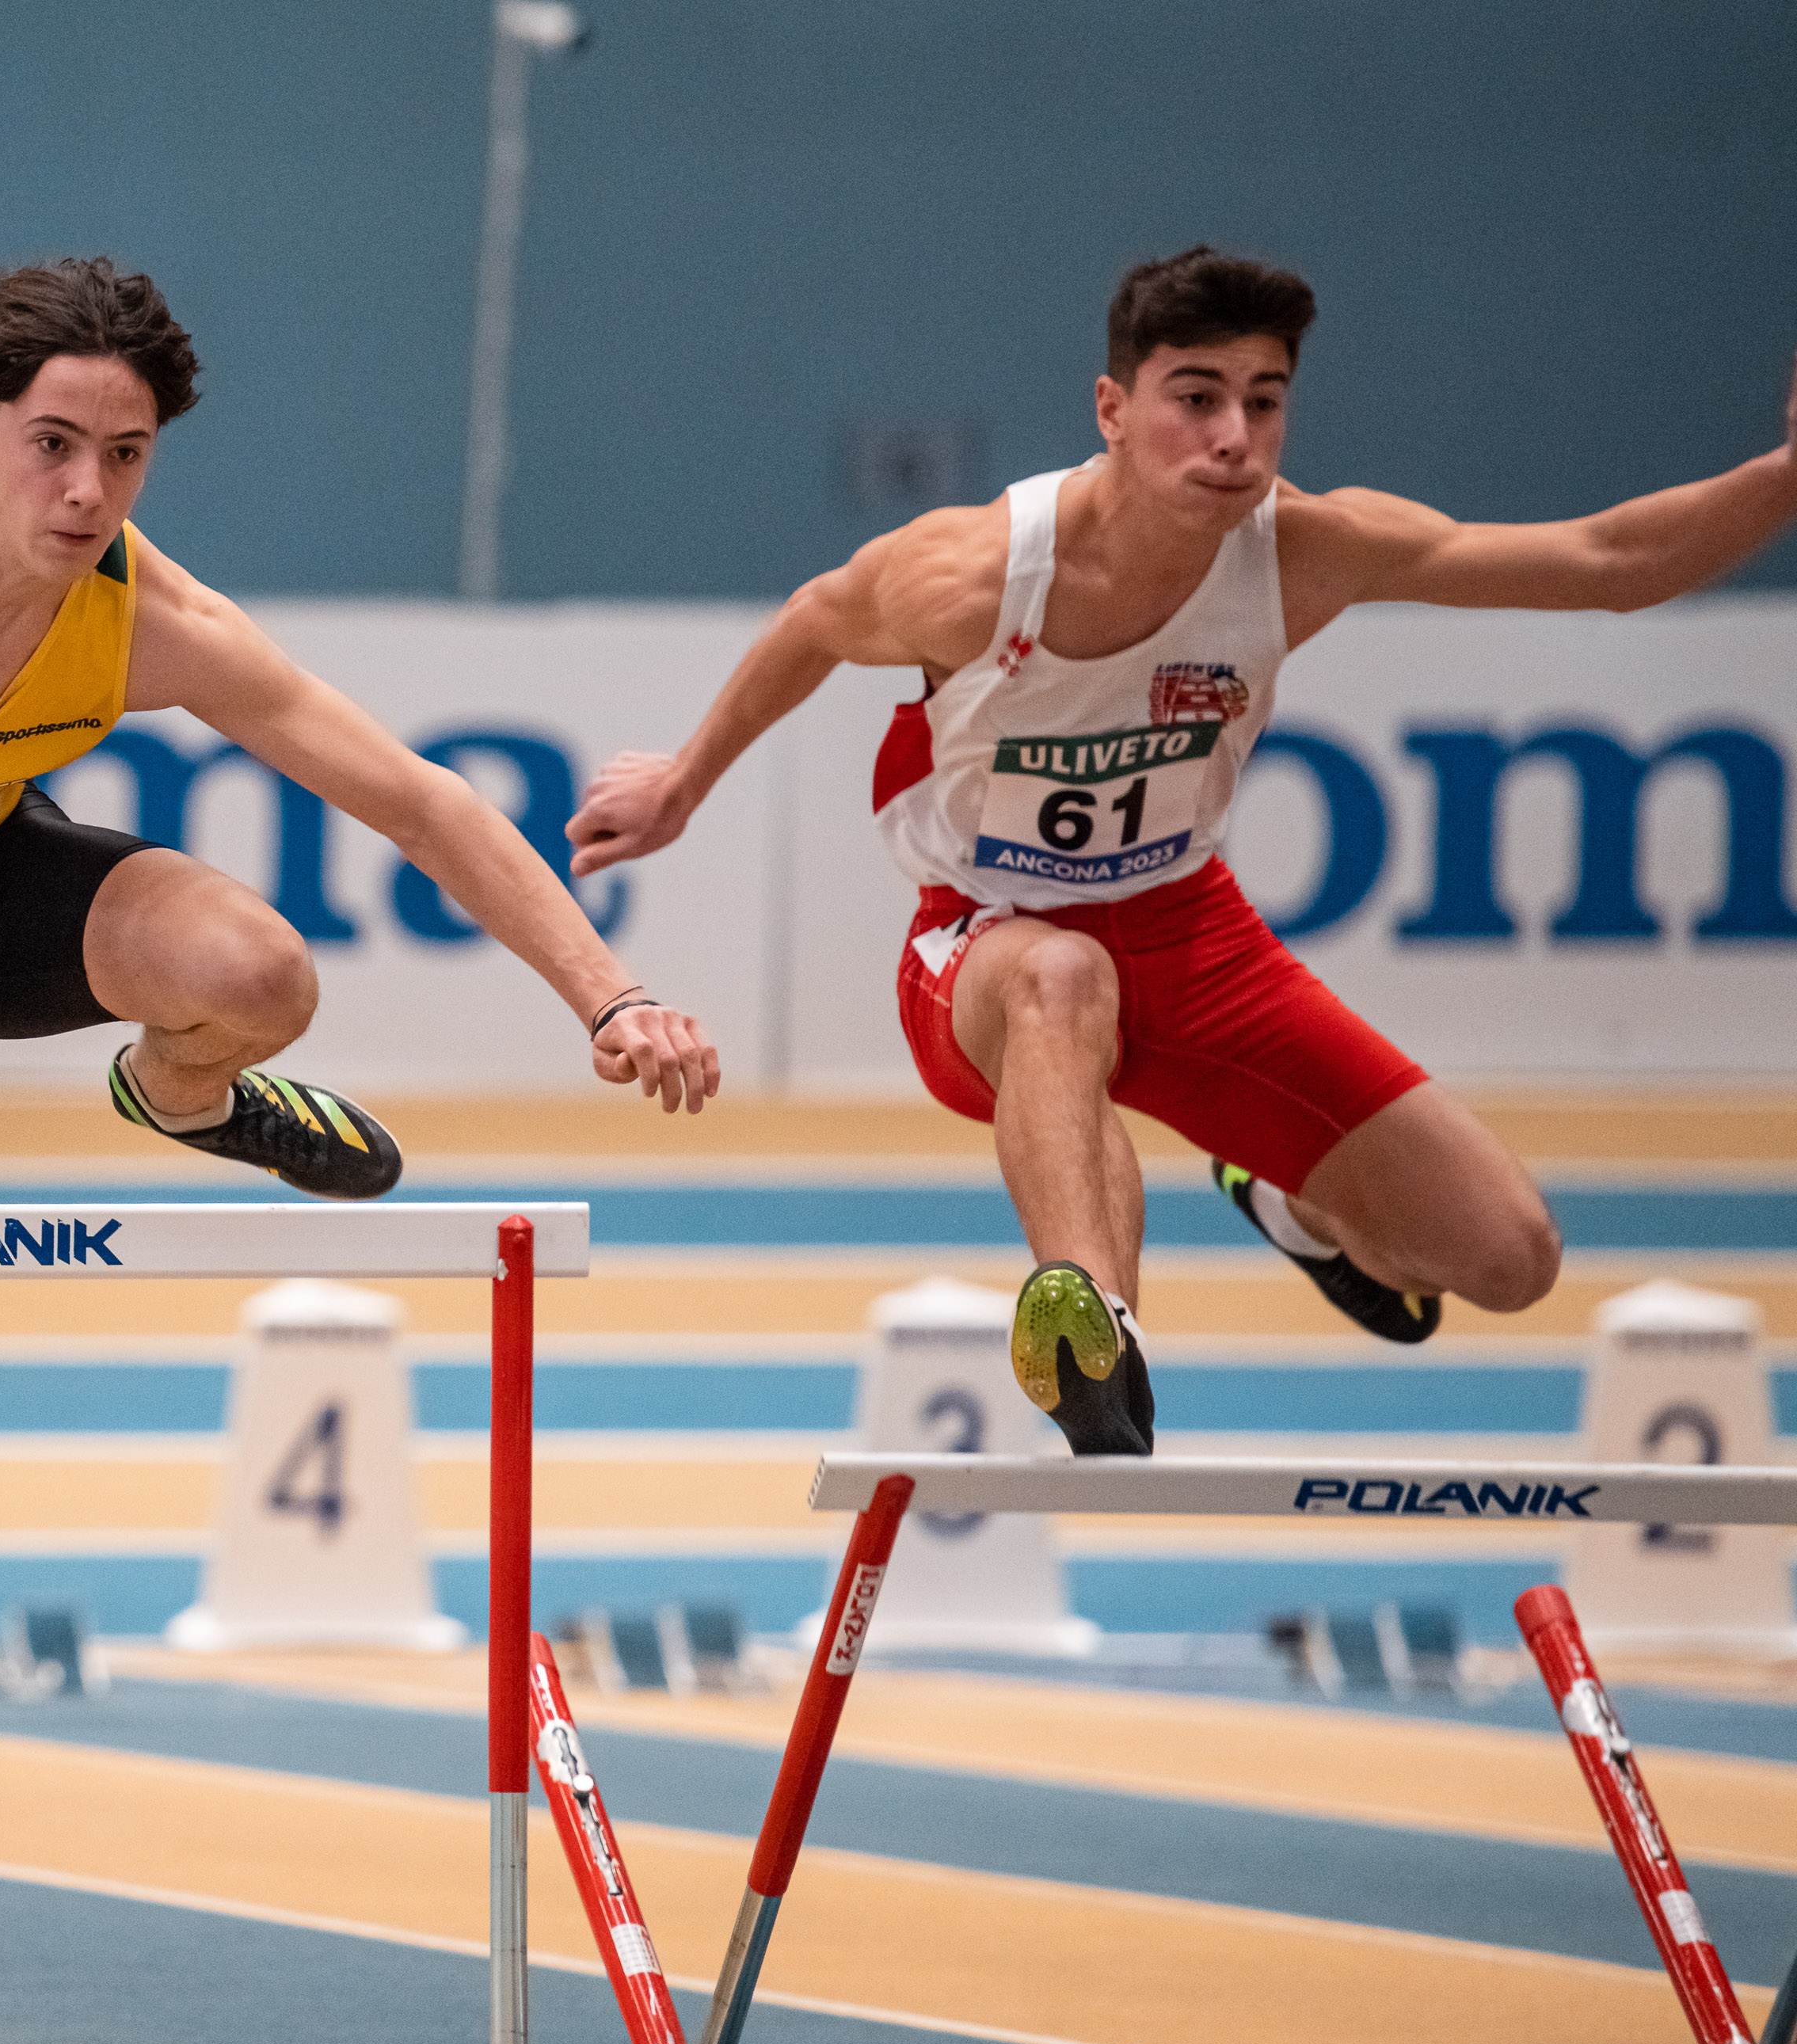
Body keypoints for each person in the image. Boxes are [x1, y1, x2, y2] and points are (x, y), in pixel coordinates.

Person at [0, 257, 719, 1936]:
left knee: (262, 973)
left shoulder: (142, 610)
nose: (88, 493)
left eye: (126, 455)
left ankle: (181, 1093)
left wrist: (614, 995)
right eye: (53, 446)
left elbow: (421, 803)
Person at [566, 246, 1797, 1456]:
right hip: (982, 945)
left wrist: (1788, 471)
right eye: (1196, 398)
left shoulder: (1306, 550)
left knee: (1511, 1259)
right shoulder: (978, 573)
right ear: (1113, 409)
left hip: (1192, 933)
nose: (1233, 439)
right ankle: (1093, 1331)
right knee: (1063, 978)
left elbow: (1611, 564)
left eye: (1264, 402)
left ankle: (1288, 1202)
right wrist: (684, 780)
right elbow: (816, 620)